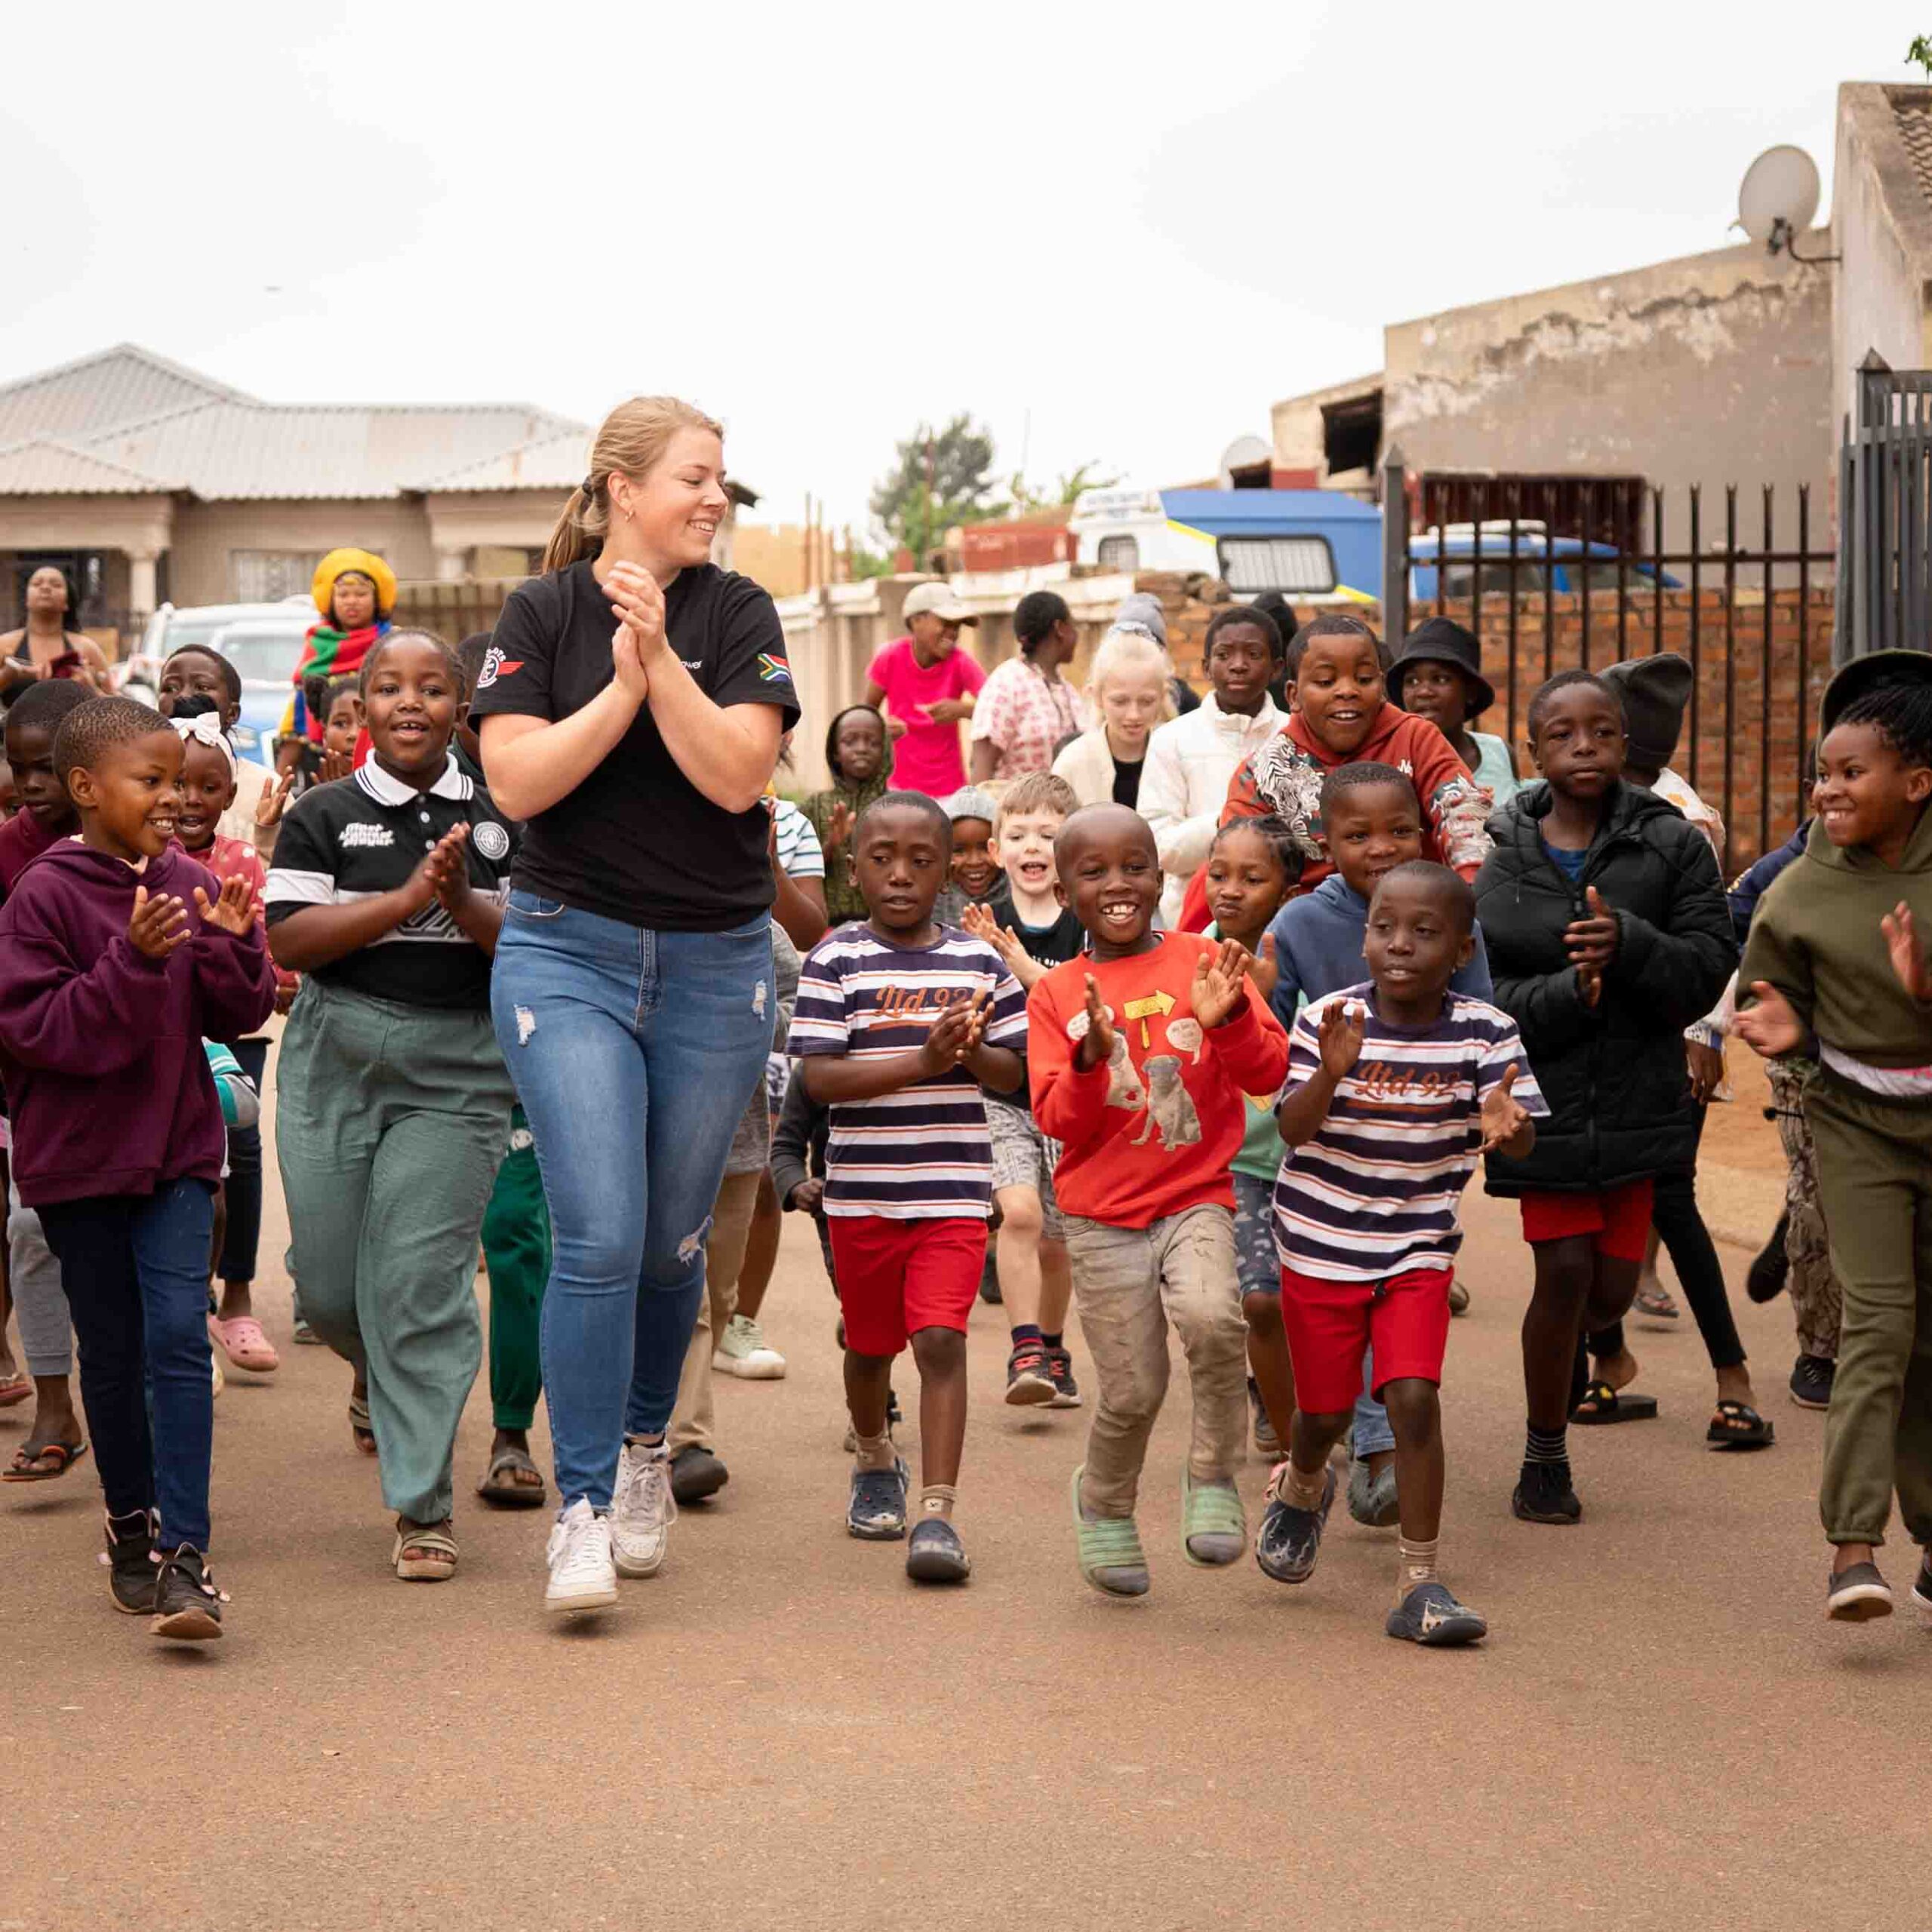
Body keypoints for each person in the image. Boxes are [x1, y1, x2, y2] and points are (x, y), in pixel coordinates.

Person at [472, 395, 795, 1618]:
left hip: (716, 966)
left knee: (671, 1244)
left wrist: (660, 657)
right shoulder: (541, 613)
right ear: (623, 489)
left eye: (721, 479)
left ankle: (648, 1444)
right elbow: (517, 784)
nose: (715, 498)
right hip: (568, 957)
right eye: (694, 477)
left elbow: (737, 777)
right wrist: (619, 684)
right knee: (600, 1236)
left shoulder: (738, 612)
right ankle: (584, 1508)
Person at [0, 695, 275, 1640]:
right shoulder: (41, 894)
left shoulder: (191, 880)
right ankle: (129, 1528)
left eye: (179, 781)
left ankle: (187, 1555)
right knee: (110, 1354)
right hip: (77, 1163)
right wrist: (131, 956)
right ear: (86, 788)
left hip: (176, 1153)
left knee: (175, 1338)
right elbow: (41, 1032)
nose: (172, 799)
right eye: (149, 781)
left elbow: (234, 1013)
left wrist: (234, 942)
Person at [268, 630, 518, 1583]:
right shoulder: (321, 813)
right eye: (388, 687)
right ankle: (378, 1374)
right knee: (332, 1291)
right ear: (362, 707)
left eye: (431, 687)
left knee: (416, 1285)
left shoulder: (500, 818)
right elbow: (290, 942)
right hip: (336, 1052)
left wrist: (462, 902)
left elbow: (531, 946)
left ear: (460, 708)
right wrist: (410, 895)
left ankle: (422, 1506)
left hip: (459, 1068)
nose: (409, 701)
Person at [1475, 669, 1733, 1525]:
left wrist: (1630, 944)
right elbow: (1481, 992)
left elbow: (1708, 966)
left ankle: (1596, 1347)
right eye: (1563, 734)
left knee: (1609, 1292)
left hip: (1638, 1100)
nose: (1583, 747)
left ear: (1626, 744)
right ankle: (1544, 1455)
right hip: (1541, 1105)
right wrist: (1565, 993)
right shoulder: (1501, 857)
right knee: (1562, 1274)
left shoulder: (1673, 845)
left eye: (1602, 732)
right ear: (1533, 751)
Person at [1263, 863, 1543, 1644]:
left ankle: (1419, 1583)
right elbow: (1292, 1129)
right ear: (1364, 937)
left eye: (1424, 932)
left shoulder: (1487, 1032)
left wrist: (1510, 1125)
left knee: (1412, 1396)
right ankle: (1303, 1482)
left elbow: (1516, 1136)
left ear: (1461, 949)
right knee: (1322, 1414)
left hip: (1416, 1246)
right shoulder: (1329, 1019)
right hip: (1320, 1244)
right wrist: (1332, 1071)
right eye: (1384, 927)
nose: (1400, 944)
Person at [1029, 805, 1290, 1598]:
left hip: (1195, 1195)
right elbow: (1056, 1120)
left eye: (1135, 866)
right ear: (1065, 892)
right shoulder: (1057, 994)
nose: (1118, 885)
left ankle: (1212, 1471)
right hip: (1099, 1216)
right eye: (1094, 872)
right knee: (1134, 1389)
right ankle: (1105, 1501)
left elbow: (1268, 1073)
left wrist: (1231, 1015)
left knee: (1214, 1320)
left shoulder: (1206, 960)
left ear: (1161, 877)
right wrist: (1086, 1060)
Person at [1735, 654, 1932, 1621]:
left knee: (1927, 1339)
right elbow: (1765, 980)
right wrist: (1788, 1028)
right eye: (1824, 772)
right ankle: (1852, 1546)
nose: (1828, 789)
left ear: (1917, 782)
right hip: (1856, 1124)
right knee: (1879, 1324)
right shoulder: (1803, 881)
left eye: (1853, 772)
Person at [791, 790, 1029, 1583]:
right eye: (882, 859)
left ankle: (937, 1512)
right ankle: (872, 1455)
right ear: (853, 869)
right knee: (869, 1349)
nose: (901, 875)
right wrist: (923, 1061)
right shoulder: (834, 959)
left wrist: (968, 1053)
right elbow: (821, 1080)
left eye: (921, 861)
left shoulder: (979, 962)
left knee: (940, 1341)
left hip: (952, 1193)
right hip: (862, 1198)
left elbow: (1015, 1075)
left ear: (950, 874)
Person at [1262, 762, 1499, 1516]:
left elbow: (1482, 1031)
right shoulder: (1299, 923)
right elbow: (1266, 1039)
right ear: (1324, 842)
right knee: (1307, 1316)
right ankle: (1314, 1446)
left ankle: (1378, 1451)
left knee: (1396, 1326)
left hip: (1416, 1157)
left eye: (1400, 830)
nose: (1382, 847)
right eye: (1359, 834)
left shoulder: (1458, 919)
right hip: (1317, 1151)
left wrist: (1488, 1111)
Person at [1580, 654, 1767, 1441]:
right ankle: (1606, 1359)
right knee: (1584, 1195)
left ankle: (1732, 1373)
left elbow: (1710, 943)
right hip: (1586, 1036)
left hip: (1666, 1037)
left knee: (1671, 1198)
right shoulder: (1574, 803)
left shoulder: (1685, 821)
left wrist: (1702, 1032)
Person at [168, 699, 298, 1377]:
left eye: (209, 787)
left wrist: (276, 975)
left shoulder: (240, 858)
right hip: (164, 1029)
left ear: (229, 795)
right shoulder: (143, 853)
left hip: (230, 1027)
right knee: (182, 1177)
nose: (191, 799)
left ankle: (234, 1294)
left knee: (235, 1157)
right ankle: (189, 1303)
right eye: (177, 784)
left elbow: (265, 935)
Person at [958, 773, 1087, 1406]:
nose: (1032, 846)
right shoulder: (982, 925)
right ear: (995, 850)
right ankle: (1026, 1348)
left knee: (1059, 1242)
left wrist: (1024, 968)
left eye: (1048, 834)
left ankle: (1055, 1348)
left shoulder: (1087, 925)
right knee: (1021, 1215)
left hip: (1069, 1100)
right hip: (1002, 1099)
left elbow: (1082, 1011)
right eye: (1017, 835)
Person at [1213, 612, 1492, 898]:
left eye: (1364, 678)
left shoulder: (1416, 739)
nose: (1347, 691)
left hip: (1417, 908)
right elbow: (1238, 867)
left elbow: (1464, 816)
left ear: (1381, 687)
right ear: (1294, 696)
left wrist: (1470, 899)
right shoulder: (1263, 772)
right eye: (1325, 681)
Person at [0, 678, 93, 1484]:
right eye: (17, 767)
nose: (29, 785)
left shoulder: (135, 834)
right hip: (30, 1078)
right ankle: (55, 1401)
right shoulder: (7, 850)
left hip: (132, 1071)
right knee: (31, 1229)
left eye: (45, 769)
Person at [1726, 817, 1841, 1408]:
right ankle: (1819, 1350)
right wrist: (1770, 989)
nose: (1834, 792)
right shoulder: (1796, 862)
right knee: (1819, 1206)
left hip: (1896, 1055)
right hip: (1808, 1060)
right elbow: (1727, 921)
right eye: (1826, 778)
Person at [1197, 814, 1301, 1466]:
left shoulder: (1304, 953)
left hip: (1309, 1159)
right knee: (1261, 1299)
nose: (1230, 890)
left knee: (1317, 1302)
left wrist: (1266, 1002)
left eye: (1252, 878)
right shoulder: (1186, 956)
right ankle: (1291, 1449)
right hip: (1235, 1163)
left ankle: (1322, 1400)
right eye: (1218, 874)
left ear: (1288, 892)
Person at [1139, 605, 1287, 927]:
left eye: (1253, 654)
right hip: (1193, 920)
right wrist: (1229, 820)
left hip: (1280, 916)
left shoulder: (1293, 736)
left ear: (1277, 668)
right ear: (1206, 667)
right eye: (1224, 655)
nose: (1238, 665)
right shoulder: (1172, 739)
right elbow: (1155, 846)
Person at [155, 645, 279, 854]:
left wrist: (266, 833)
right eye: (171, 688)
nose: (183, 696)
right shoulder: (141, 781)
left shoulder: (267, 788)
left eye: (202, 687)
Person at [864, 583, 985, 798]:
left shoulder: (961, 662)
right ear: (916, 621)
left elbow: (996, 709)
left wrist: (963, 710)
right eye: (946, 623)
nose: (953, 633)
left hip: (950, 791)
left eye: (957, 626)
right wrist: (881, 728)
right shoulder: (890, 658)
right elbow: (864, 715)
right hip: (898, 789)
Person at [1388, 617, 1519, 809]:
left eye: (1440, 679)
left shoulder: (1499, 753)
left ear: (1470, 692)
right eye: (1412, 681)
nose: (1424, 692)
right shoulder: (1392, 763)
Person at [968, 589, 1088, 785]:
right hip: (1015, 803)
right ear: (1060, 628)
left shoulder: (1067, 691)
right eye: (1073, 627)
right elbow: (981, 768)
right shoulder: (1007, 683)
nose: (1077, 635)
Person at [1051, 626, 1171, 811]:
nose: (1134, 715)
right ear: (1097, 696)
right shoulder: (1072, 763)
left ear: (1162, 697)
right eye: (1120, 702)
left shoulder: (1175, 757)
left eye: (1146, 702)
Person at [284, 549, 395, 745]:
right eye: (343, 595)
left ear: (376, 599)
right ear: (331, 600)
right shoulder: (318, 642)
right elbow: (300, 699)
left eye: (361, 594)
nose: (352, 601)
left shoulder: (392, 642)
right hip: (323, 748)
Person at [804, 704, 892, 928]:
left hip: (886, 925)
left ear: (885, 751)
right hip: (828, 927)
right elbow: (799, 873)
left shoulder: (900, 807)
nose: (861, 749)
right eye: (850, 741)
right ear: (835, 752)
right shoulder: (814, 806)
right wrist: (831, 844)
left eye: (873, 742)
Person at [0, 565, 111, 701]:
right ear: (27, 600)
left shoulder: (86, 648)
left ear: (67, 603)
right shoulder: (4, 645)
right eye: (37, 583)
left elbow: (118, 705)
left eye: (56, 585)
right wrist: (7, 675)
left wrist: (91, 689)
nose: (45, 587)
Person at [934, 784, 1009, 928]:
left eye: (986, 848)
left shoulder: (1018, 892)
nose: (974, 861)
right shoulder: (932, 899)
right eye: (959, 851)